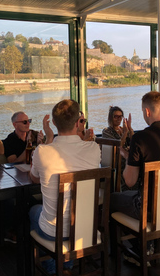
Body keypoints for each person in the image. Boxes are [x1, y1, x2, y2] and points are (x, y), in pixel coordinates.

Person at [110, 91, 160, 265]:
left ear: (147, 112)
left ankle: (138, 249)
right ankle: (148, 246)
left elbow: (130, 181)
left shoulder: (140, 138)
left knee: (111, 199)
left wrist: (127, 159)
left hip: (147, 210)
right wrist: (130, 157)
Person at [29, 99, 101, 275]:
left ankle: (56, 268)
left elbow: (33, 178)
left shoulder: (42, 151)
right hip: (86, 229)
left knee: (33, 211)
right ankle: (66, 266)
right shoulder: (94, 148)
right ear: (78, 123)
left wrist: (48, 139)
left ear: (53, 123)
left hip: (53, 232)